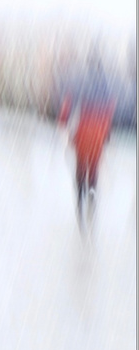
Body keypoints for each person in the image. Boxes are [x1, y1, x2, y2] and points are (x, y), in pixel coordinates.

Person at [60, 57, 116, 227]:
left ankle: (80, 205)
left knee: (80, 169)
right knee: (93, 171)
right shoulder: (107, 88)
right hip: (98, 136)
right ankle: (91, 200)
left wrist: (65, 123)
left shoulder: (80, 84)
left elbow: (67, 107)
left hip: (83, 134)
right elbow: (111, 111)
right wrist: (106, 134)